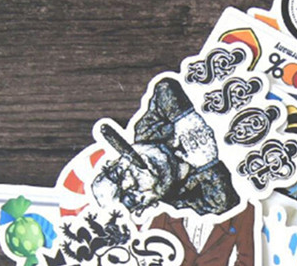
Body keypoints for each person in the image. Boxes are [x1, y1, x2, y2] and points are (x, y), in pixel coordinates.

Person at [92, 77, 240, 216]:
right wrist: (207, 163)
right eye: (130, 198)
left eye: (116, 174)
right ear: (146, 205)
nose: (131, 179)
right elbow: (223, 202)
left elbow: (165, 88)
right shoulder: (181, 199)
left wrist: (184, 119)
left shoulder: (146, 131)